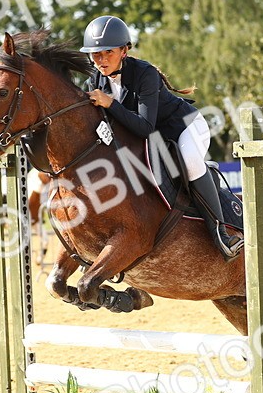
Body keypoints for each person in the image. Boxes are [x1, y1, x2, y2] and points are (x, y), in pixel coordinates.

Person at [80, 15, 243, 260]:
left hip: (184, 127)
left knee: (189, 161)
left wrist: (110, 104)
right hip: (152, 138)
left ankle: (220, 232)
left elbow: (145, 127)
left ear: (124, 50)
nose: (101, 60)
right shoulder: (95, 80)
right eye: (95, 54)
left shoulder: (145, 74)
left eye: (108, 52)